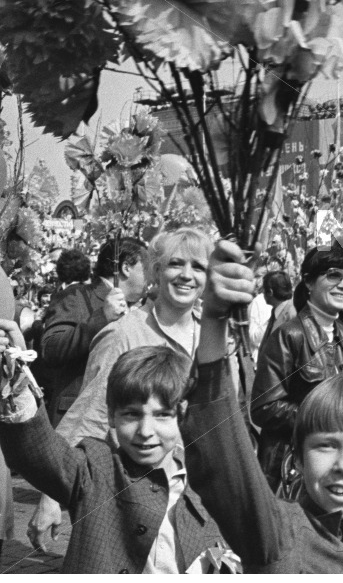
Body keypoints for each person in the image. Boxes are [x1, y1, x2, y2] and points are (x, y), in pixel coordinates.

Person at [182, 240, 343, 572]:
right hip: (286, 477)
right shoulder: (284, 537)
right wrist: (214, 318)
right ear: (308, 282)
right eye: (332, 275)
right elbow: (237, 427)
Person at [28, 228, 247, 553]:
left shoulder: (213, 335)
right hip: (132, 495)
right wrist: (50, 494)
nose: (186, 275)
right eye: (176, 264)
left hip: (199, 496)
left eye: (198, 267)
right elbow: (89, 414)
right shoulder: (123, 334)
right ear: (157, 272)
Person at [0, 335, 231, 573]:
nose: (145, 431)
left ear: (183, 417)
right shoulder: (95, 469)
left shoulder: (206, 484)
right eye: (131, 415)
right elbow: (38, 453)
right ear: (111, 416)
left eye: (162, 415)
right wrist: (14, 385)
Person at [252, 245, 343, 490]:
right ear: (309, 283)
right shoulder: (289, 335)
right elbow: (263, 407)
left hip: (332, 464)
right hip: (288, 469)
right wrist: (321, 415)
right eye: (333, 275)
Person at [37, 237, 146, 425]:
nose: (151, 277)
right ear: (126, 267)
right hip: (78, 420)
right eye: (146, 269)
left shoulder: (138, 308)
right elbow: (51, 348)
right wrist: (101, 317)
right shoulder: (76, 296)